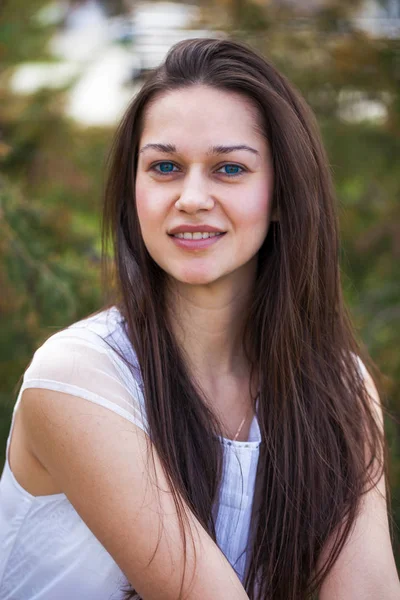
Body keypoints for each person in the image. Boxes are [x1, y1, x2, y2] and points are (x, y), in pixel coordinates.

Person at [0, 38, 399, 600]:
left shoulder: (337, 387)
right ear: (132, 188)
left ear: (281, 193)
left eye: (229, 169)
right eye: (164, 167)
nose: (191, 197)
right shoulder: (77, 379)